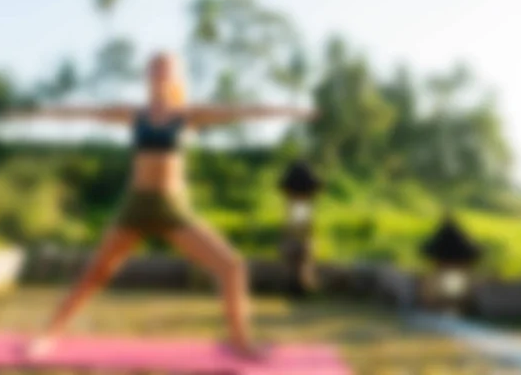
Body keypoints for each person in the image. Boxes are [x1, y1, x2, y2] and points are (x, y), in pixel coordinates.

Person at [24, 52, 314, 359]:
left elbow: (240, 111)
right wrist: (40, 111)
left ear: (175, 77)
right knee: (96, 272)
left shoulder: (187, 115)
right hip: (136, 205)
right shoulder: (134, 114)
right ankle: (48, 336)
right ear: (147, 76)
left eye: (166, 69)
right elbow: (89, 113)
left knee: (231, 267)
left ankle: (241, 343)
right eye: (155, 69)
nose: (160, 74)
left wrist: (291, 110)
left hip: (173, 209)